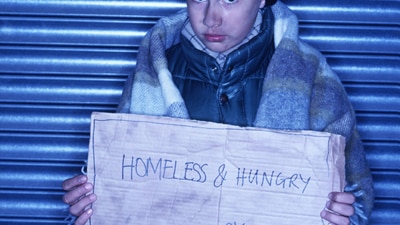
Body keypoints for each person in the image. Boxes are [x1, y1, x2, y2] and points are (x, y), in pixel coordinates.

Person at [62, 0, 374, 224]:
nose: (212, 17)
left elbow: (356, 196)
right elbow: (120, 175)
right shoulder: (153, 74)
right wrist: (89, 199)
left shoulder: (310, 76)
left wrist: (343, 215)